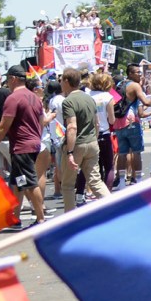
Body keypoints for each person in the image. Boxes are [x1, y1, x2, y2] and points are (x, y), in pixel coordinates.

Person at [0, 68, 48, 225]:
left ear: (13, 78)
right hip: (32, 144)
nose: (7, 83)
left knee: (29, 182)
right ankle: (14, 218)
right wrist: (36, 138)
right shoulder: (34, 97)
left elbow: (3, 126)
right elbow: (41, 121)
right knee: (17, 182)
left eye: (8, 79)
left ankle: (41, 218)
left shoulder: (13, 98)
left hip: (22, 146)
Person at [56, 69, 106, 213]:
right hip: (92, 143)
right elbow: (97, 123)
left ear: (66, 81)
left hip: (76, 144)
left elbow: (72, 127)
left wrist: (70, 152)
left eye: (61, 81)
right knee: (95, 181)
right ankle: (113, 207)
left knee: (68, 185)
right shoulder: (89, 98)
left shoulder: (68, 101)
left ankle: (70, 218)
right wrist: (94, 140)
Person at [114, 66, 146, 186]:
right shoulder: (134, 86)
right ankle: (137, 180)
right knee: (136, 152)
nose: (140, 75)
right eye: (138, 72)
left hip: (118, 122)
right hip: (131, 121)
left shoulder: (118, 85)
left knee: (122, 153)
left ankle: (121, 181)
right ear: (130, 74)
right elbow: (145, 101)